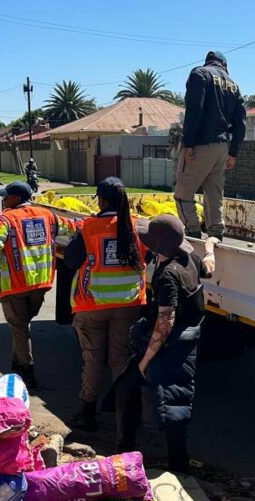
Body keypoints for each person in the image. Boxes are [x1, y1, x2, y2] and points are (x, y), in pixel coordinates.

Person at [116, 214, 213, 471]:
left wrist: (145, 361)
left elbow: (165, 322)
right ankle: (135, 448)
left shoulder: (168, 275)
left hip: (170, 347)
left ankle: (172, 464)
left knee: (168, 404)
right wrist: (211, 246)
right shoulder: (190, 259)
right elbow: (209, 268)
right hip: (185, 344)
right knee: (167, 400)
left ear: (158, 245)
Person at [63, 177, 147, 432]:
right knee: (121, 359)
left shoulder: (88, 228)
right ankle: (126, 419)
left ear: (102, 199)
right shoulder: (139, 228)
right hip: (129, 303)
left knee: (93, 359)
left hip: (92, 305)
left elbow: (70, 261)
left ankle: (87, 413)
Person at [0, 181, 75, 388]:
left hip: (16, 284)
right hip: (41, 283)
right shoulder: (48, 216)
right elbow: (72, 227)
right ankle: (17, 364)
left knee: (20, 326)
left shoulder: (7, 218)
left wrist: (0, 264)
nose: (3, 201)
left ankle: (27, 371)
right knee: (22, 324)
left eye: (5, 197)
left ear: (16, 198)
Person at [174, 50, 246, 266]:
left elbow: (194, 109)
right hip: (222, 147)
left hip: (201, 144)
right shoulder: (233, 85)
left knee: (183, 193)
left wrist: (189, 142)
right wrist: (233, 152)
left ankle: (193, 233)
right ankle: (217, 233)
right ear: (224, 65)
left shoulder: (200, 74)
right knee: (214, 192)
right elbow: (241, 122)